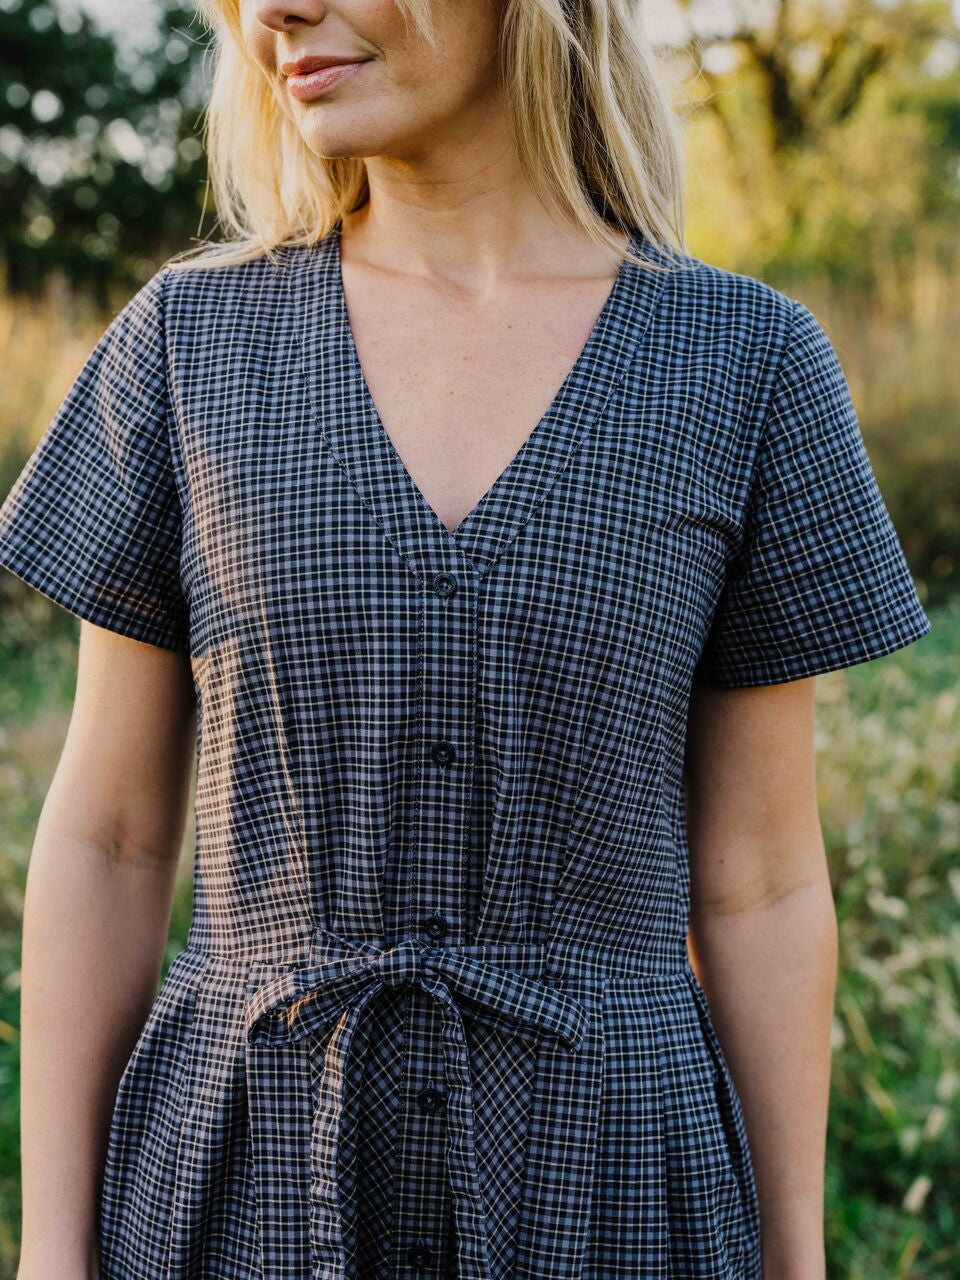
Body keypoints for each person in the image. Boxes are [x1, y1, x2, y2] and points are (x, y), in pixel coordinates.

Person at [2, 1, 932, 1278]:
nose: (274, 10)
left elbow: (762, 878)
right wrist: (53, 1255)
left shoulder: (748, 366)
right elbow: (109, 833)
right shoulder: (185, 347)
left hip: (613, 1186)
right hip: (242, 1182)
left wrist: (796, 1255)